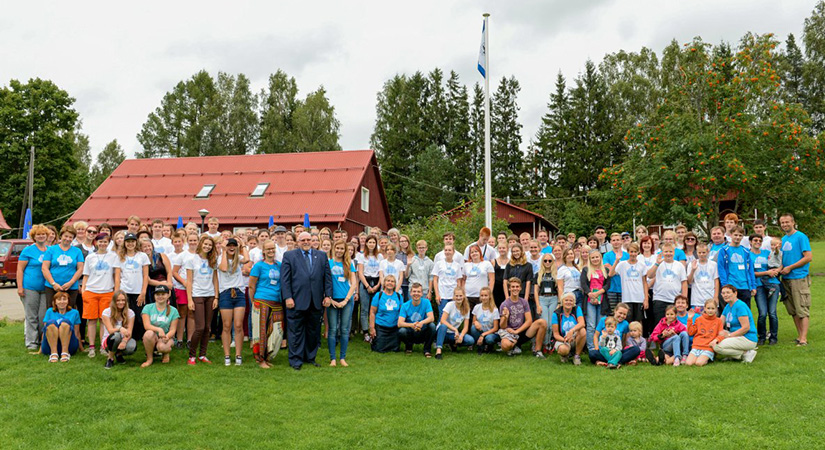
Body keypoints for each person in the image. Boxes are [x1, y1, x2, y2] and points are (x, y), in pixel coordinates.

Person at [281, 232, 333, 370]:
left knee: (313, 331)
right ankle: (296, 360)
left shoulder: (321, 256)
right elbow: (285, 280)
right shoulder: (289, 256)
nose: (306, 242)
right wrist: (288, 297)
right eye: (303, 240)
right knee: (295, 332)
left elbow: (327, 278)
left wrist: (328, 295)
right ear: (298, 242)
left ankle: (310, 357)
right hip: (296, 300)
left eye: (308, 239)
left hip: (316, 301)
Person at [80, 233, 117, 358]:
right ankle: (91, 347)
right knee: (91, 320)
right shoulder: (90, 257)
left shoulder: (113, 256)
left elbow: (115, 275)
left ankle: (103, 345)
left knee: (103, 320)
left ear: (108, 243)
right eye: (100, 242)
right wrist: (84, 291)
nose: (102, 244)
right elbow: (86, 275)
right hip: (91, 291)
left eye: (105, 242)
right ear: (96, 243)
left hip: (107, 291)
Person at [778, 213, 812, 346]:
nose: (785, 225)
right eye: (782, 223)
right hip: (786, 278)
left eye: (787, 222)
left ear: (793, 222)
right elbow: (782, 259)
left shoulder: (800, 237)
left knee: (802, 308)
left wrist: (790, 267)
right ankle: (799, 336)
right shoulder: (784, 239)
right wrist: (779, 269)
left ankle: (804, 339)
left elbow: (808, 257)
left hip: (798, 277)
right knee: (792, 310)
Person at [248, 240, 283, 369]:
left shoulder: (279, 265)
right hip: (261, 300)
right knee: (261, 331)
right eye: (268, 249)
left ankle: (269, 354)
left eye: (273, 248)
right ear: (263, 251)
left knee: (278, 331)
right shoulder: (258, 266)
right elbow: (251, 286)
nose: (271, 251)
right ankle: (261, 359)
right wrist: (253, 302)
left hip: (277, 301)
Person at [185, 235, 219, 365]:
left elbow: (215, 279)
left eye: (210, 245)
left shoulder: (213, 260)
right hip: (197, 295)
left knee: (207, 328)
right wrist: (189, 299)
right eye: (205, 244)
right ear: (201, 244)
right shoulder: (192, 259)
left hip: (210, 295)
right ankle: (192, 356)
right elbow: (189, 281)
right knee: (200, 327)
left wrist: (216, 297)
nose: (207, 247)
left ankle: (202, 355)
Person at [41, 226, 85, 326]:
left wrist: (71, 282)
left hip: (71, 287)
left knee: (70, 311)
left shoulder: (77, 251)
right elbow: (45, 268)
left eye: (71, 237)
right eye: (66, 236)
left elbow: (80, 269)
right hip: (52, 287)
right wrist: (53, 283)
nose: (68, 239)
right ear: (61, 236)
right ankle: (52, 334)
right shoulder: (51, 250)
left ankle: (69, 335)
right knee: (52, 311)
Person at [18, 224, 50, 351]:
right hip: (30, 287)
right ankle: (31, 342)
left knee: (43, 317)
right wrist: (20, 287)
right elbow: (20, 270)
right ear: (34, 237)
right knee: (31, 316)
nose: (41, 236)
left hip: (45, 288)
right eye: (38, 234)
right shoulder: (28, 250)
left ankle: (43, 340)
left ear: (47, 236)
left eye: (43, 234)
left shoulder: (50, 250)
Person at [217, 238, 248, 366]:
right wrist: (224, 250)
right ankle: (227, 355)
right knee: (226, 325)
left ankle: (238, 354)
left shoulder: (239, 257)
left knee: (239, 325)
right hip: (225, 293)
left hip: (239, 293)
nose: (231, 247)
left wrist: (243, 245)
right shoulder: (220, 258)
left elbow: (247, 259)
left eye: (233, 246)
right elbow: (224, 268)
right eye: (229, 245)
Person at [498, 277, 547, 358]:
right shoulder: (504, 304)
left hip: (521, 331)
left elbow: (529, 321)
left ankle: (537, 351)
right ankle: (512, 347)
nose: (515, 289)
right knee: (505, 346)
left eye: (517, 286)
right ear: (509, 288)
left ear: (520, 288)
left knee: (542, 322)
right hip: (509, 333)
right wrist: (505, 317)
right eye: (513, 287)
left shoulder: (524, 302)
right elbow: (502, 326)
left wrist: (517, 331)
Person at [113, 233, 150, 340]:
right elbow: (117, 277)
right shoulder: (119, 257)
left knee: (139, 315)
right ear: (124, 243)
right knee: (126, 315)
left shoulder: (142, 256)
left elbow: (146, 275)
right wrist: (117, 293)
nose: (130, 244)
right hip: (125, 291)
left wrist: (143, 292)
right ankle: (127, 335)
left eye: (132, 241)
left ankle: (140, 337)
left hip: (138, 290)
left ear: (136, 242)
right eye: (128, 241)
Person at [327, 239, 357, 366]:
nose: (339, 251)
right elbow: (325, 283)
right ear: (334, 249)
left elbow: (354, 283)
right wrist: (330, 298)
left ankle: (342, 358)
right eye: (337, 248)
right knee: (333, 329)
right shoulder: (328, 263)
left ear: (345, 251)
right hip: (332, 300)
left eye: (342, 249)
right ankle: (333, 358)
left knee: (344, 329)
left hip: (346, 300)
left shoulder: (349, 264)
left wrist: (346, 300)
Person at [713, 284, 758, 362]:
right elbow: (720, 323)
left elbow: (746, 328)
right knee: (717, 337)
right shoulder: (728, 306)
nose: (725, 295)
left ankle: (746, 353)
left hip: (747, 338)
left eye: (728, 292)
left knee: (717, 346)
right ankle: (734, 355)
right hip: (735, 335)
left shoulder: (740, 306)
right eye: (723, 293)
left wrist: (729, 335)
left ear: (735, 293)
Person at [646, 243, 688, 326]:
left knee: (674, 324)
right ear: (662, 252)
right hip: (659, 299)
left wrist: (684, 299)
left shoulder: (679, 265)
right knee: (659, 324)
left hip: (674, 299)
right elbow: (649, 275)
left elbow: (684, 282)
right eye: (666, 251)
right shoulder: (658, 264)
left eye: (670, 251)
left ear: (674, 252)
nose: (668, 253)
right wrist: (657, 264)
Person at [750, 234, 780, 346]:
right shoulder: (748, 255)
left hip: (772, 284)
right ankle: (761, 337)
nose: (757, 242)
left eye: (759, 240)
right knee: (762, 313)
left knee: (772, 312)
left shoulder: (767, 253)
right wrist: (766, 272)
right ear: (750, 242)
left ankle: (773, 337)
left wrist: (777, 270)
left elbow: (779, 262)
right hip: (759, 286)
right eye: (755, 240)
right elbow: (751, 273)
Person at [609, 242, 648, 327]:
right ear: (628, 252)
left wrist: (646, 299)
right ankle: (627, 339)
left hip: (639, 297)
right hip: (627, 297)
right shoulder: (622, 264)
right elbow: (611, 274)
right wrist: (616, 260)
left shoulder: (642, 265)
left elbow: (645, 283)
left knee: (638, 321)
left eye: (635, 252)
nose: (633, 254)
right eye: (631, 252)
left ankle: (638, 339)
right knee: (627, 321)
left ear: (638, 252)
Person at [717, 226, 756, 308]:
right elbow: (721, 269)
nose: (737, 237)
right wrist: (725, 285)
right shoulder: (724, 250)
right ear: (731, 235)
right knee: (731, 312)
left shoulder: (746, 251)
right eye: (735, 235)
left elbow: (750, 270)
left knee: (744, 312)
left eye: (740, 235)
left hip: (745, 286)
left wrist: (753, 286)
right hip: (731, 286)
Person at [140, 285, 180, 367]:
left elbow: (173, 330)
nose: (160, 296)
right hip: (152, 336)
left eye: (163, 294)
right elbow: (146, 326)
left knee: (162, 347)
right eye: (158, 294)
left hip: (166, 337)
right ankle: (149, 359)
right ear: (154, 296)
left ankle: (165, 353)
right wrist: (159, 330)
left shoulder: (174, 310)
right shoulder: (148, 308)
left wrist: (167, 337)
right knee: (148, 334)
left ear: (168, 295)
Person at [580, 250, 610, 352]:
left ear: (600, 258)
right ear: (589, 259)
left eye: (597, 257)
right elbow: (583, 284)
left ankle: (601, 346)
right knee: (591, 325)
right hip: (589, 300)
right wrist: (591, 295)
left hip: (602, 299)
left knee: (600, 325)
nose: (595, 259)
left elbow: (607, 285)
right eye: (593, 258)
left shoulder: (605, 269)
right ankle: (591, 347)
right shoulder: (586, 270)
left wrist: (598, 293)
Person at [434, 287, 474, 359]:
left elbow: (465, 327)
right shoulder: (449, 305)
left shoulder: (466, 308)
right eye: (457, 296)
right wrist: (455, 329)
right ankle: (438, 350)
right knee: (443, 326)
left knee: (470, 340)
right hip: (443, 332)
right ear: (454, 296)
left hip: (453, 334)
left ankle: (454, 344)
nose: (458, 298)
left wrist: (461, 336)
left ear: (464, 296)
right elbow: (442, 320)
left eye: (460, 296)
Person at [41, 291, 83, 362]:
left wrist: (81, 349)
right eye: (59, 299)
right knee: (51, 323)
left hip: (69, 345)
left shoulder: (75, 312)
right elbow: (45, 332)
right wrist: (40, 349)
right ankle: (53, 354)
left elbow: (77, 332)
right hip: (50, 346)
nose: (62, 302)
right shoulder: (49, 311)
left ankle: (65, 353)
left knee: (65, 323)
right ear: (55, 302)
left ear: (68, 301)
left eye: (64, 299)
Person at [100, 290, 137, 369]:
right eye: (118, 300)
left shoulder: (130, 313)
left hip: (124, 339)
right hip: (109, 340)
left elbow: (129, 332)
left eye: (123, 300)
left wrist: (124, 341)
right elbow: (110, 330)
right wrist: (120, 328)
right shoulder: (106, 312)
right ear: (114, 301)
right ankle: (110, 359)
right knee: (116, 336)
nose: (121, 302)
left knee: (132, 346)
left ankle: (118, 354)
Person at [398, 283, 436, 356]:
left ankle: (427, 350)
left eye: (418, 291)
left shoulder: (426, 302)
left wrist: (421, 323)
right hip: (411, 331)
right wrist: (412, 325)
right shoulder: (405, 305)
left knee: (432, 326)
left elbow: (431, 318)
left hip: (422, 330)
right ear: (410, 293)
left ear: (422, 293)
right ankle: (409, 347)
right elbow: (399, 323)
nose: (416, 294)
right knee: (402, 331)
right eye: (414, 291)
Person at [170, 233, 195, 346]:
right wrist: (183, 282)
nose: (193, 242)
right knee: (182, 313)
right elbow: (174, 272)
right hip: (182, 287)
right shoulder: (182, 255)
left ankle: (190, 339)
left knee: (192, 313)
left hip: (196, 288)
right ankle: (179, 339)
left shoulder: (200, 255)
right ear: (187, 241)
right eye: (190, 240)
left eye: (195, 240)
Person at [357, 235, 382, 341]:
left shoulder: (380, 257)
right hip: (365, 283)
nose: (371, 244)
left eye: (373, 242)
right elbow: (360, 273)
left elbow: (382, 272)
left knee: (375, 309)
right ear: (366, 243)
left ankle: (374, 330)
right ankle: (366, 332)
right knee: (364, 309)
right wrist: (367, 286)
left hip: (377, 282)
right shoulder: (362, 256)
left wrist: (377, 286)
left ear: (376, 244)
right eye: (369, 242)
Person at [533, 251, 559, 353]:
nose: (547, 262)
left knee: (552, 324)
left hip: (553, 298)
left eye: (549, 260)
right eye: (545, 261)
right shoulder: (538, 274)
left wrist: (559, 303)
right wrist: (538, 305)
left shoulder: (556, 273)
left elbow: (559, 288)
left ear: (552, 261)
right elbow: (535, 290)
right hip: (542, 299)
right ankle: (544, 343)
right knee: (546, 323)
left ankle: (549, 344)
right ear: (542, 262)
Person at [369, 275, 402, 353]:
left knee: (395, 349)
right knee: (379, 349)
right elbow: (372, 312)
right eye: (388, 281)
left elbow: (401, 312)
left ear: (395, 284)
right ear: (384, 283)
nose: (390, 283)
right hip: (381, 327)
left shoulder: (399, 296)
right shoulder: (378, 295)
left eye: (392, 281)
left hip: (394, 328)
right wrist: (372, 328)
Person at [685, 299, 724, 367]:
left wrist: (716, 340)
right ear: (705, 308)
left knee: (699, 363)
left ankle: (708, 358)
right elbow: (691, 332)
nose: (710, 310)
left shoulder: (718, 321)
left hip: (708, 347)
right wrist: (689, 319)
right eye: (708, 308)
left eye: (712, 308)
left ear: (716, 309)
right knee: (689, 363)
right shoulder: (699, 319)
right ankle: (701, 357)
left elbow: (721, 335)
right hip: (697, 345)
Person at [551, 293, 586, 365]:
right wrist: (565, 340)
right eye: (566, 300)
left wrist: (571, 331)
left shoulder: (577, 309)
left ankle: (577, 356)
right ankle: (565, 355)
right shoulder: (556, 313)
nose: (568, 302)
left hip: (575, 337)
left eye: (571, 300)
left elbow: (582, 323)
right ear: (562, 302)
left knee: (582, 330)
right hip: (562, 339)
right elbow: (556, 334)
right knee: (563, 350)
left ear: (574, 302)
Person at [432, 245, 465, 315]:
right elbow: (435, 280)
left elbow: (459, 281)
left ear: (453, 252)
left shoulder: (457, 265)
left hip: (453, 295)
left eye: (449, 250)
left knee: (452, 315)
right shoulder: (439, 264)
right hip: (442, 294)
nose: (447, 252)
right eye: (446, 250)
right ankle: (440, 326)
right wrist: (437, 294)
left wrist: (458, 294)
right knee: (442, 315)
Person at [687, 243, 720, 312]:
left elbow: (716, 281)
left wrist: (716, 296)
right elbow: (689, 282)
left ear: (707, 252)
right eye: (699, 252)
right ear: (696, 253)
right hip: (697, 300)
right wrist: (693, 270)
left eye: (703, 252)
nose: (702, 254)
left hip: (710, 298)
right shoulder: (692, 264)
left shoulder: (713, 264)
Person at [503, 243, 533, 317]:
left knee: (522, 315)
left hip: (522, 293)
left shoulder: (528, 265)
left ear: (521, 251)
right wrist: (507, 297)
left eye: (517, 251)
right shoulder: (509, 265)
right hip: (511, 293)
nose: (516, 253)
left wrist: (526, 299)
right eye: (513, 251)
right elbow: (505, 281)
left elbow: (528, 282)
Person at [602, 233, 629, 315]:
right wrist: (618, 270)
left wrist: (614, 269)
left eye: (618, 240)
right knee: (613, 314)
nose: (616, 242)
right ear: (610, 242)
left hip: (624, 289)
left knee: (623, 313)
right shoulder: (606, 255)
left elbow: (627, 271)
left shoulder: (627, 255)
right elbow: (610, 272)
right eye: (614, 240)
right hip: (611, 289)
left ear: (621, 241)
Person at [469, 287, 500, 354]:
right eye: (482, 295)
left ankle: (489, 346)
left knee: (489, 339)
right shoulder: (477, 307)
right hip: (480, 331)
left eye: (486, 295)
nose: (484, 298)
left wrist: (483, 335)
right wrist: (475, 322)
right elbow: (473, 322)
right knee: (473, 328)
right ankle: (480, 346)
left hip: (490, 333)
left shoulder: (495, 310)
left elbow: (496, 328)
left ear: (489, 297)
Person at [464, 245, 495, 311]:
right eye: (472, 252)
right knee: (469, 317)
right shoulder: (466, 265)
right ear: (470, 255)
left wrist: (489, 292)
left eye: (476, 251)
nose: (474, 253)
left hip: (482, 296)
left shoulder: (487, 264)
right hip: (468, 295)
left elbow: (492, 280)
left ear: (480, 253)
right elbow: (463, 280)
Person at [492, 242, 510, 307]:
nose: (501, 249)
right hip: (496, 289)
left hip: (507, 288)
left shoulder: (511, 262)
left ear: (507, 249)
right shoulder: (493, 261)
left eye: (503, 248)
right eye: (500, 248)